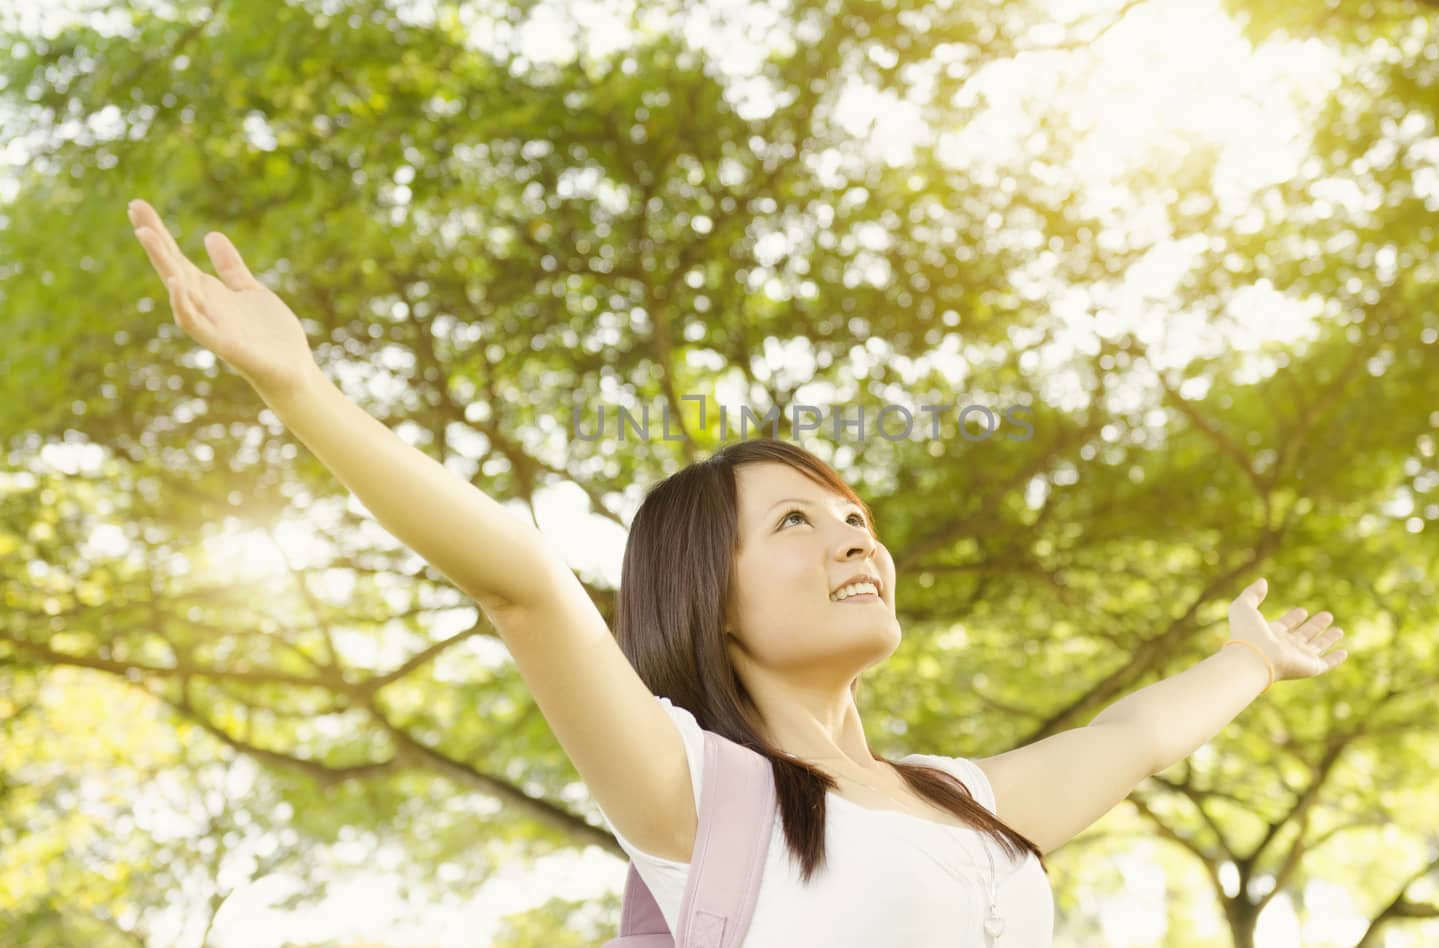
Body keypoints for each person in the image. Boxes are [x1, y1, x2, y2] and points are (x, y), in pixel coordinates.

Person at [127, 200, 1348, 946]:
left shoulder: (967, 798)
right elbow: (523, 586)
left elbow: (1134, 733)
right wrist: (301, 388)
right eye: (796, 526)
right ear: (705, 596)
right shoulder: (695, 794)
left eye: (854, 515)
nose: (854, 538)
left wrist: (1248, 659)